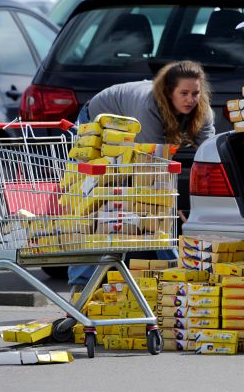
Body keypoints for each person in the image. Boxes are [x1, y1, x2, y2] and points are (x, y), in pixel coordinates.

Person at [68, 60, 216, 293]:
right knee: (92, 203)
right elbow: (152, 166)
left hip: (135, 137)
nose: (190, 99)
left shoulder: (203, 112)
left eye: (195, 93)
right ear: (169, 93)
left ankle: (173, 275)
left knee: (154, 207)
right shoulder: (149, 107)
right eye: (184, 93)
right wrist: (174, 207)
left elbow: (208, 154)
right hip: (99, 123)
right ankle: (82, 284)